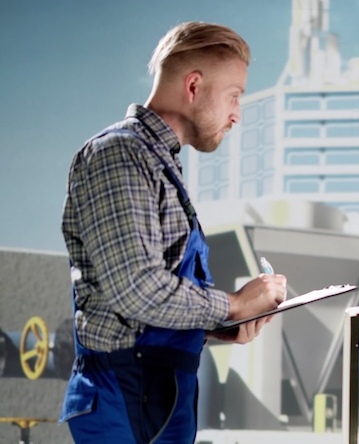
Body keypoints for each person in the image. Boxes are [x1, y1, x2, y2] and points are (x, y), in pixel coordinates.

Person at [59, 21, 287, 444]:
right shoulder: (119, 156)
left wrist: (218, 325)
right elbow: (137, 290)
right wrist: (234, 304)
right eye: (234, 95)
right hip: (125, 397)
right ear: (195, 86)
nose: (238, 113)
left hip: (156, 398)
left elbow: (140, 310)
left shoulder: (159, 164)